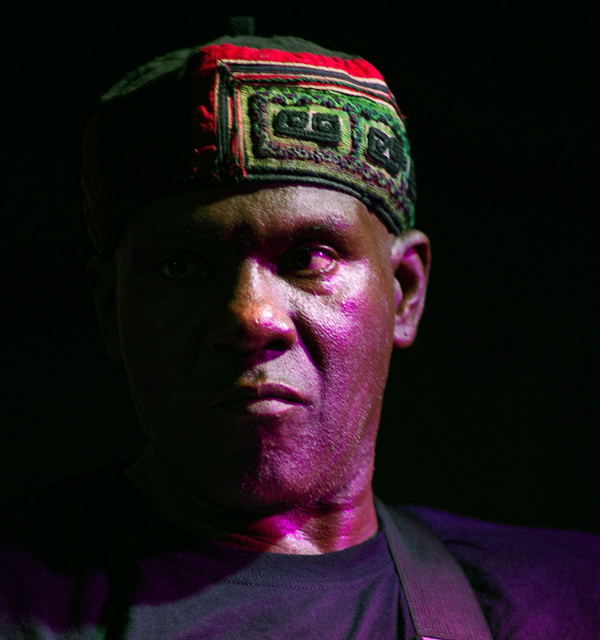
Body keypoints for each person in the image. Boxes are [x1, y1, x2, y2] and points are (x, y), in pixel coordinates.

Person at [1, 21, 599, 640]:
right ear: (111, 308)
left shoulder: (565, 600)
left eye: (310, 256)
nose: (251, 316)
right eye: (182, 266)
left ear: (404, 292)